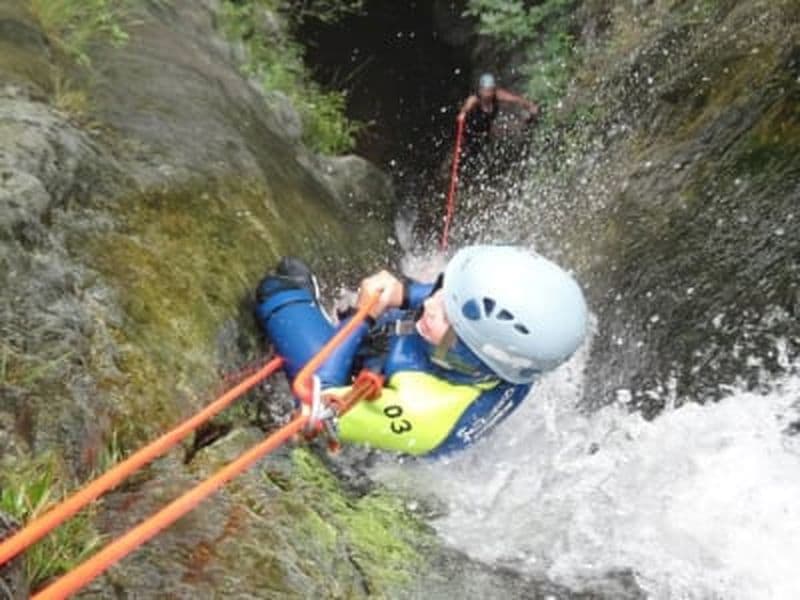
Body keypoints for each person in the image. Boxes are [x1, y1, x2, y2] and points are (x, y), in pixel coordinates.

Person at [255, 246, 587, 457]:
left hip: (363, 396)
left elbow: (317, 400)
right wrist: (402, 293)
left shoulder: (422, 414)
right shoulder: (501, 354)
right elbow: (456, 302)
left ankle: (299, 302)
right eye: (441, 293)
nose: (429, 304)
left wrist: (362, 318)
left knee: (277, 291)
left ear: (469, 353)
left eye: (445, 315)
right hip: (421, 360)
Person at [456, 73, 540, 174]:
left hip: (485, 132)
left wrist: (530, 105)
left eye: (490, 90)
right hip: (470, 133)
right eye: (486, 90)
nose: (488, 93)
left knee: (484, 156)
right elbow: (465, 109)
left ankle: (486, 173)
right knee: (467, 155)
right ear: (480, 90)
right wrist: (463, 114)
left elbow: (515, 99)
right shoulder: (474, 100)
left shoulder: (497, 95)